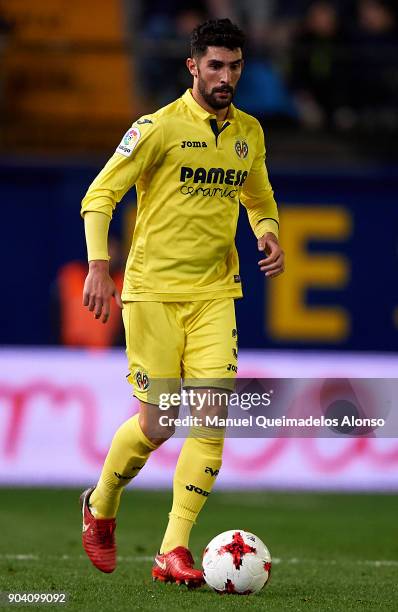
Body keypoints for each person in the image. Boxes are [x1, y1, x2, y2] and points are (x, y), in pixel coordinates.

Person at [79, 18, 284, 587]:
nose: (226, 76)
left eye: (235, 66)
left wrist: (267, 229)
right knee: (159, 425)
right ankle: (100, 504)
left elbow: (259, 196)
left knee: (212, 420)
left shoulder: (250, 132)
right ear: (192, 66)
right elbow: (99, 196)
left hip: (215, 294)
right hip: (151, 295)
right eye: (215, 65)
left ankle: (173, 548)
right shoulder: (156, 129)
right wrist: (100, 266)